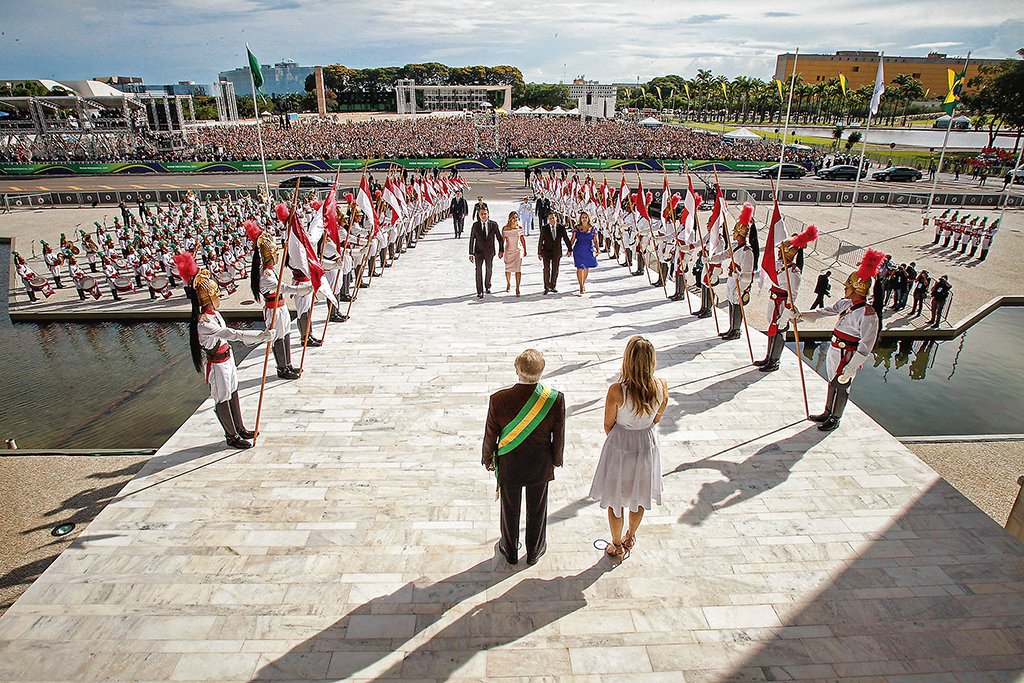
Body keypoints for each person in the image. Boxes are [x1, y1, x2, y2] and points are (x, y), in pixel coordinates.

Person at [176, 251, 271, 449]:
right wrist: (260, 336)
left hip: (227, 360)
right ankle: (231, 435)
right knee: (222, 398)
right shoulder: (204, 323)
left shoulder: (214, 314)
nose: (219, 296)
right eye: (216, 294)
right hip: (217, 364)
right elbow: (232, 334)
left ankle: (240, 427)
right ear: (208, 298)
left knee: (233, 392)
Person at [482, 349, 565, 565]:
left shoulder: (498, 399)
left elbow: (491, 432)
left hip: (510, 463)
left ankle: (509, 549)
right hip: (540, 464)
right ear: (542, 371)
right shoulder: (555, 399)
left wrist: (487, 458)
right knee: (537, 508)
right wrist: (556, 460)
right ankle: (535, 550)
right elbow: (559, 435)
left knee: (509, 509)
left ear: (517, 369)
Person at [588, 336, 667, 559]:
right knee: (639, 496)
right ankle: (631, 535)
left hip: (621, 444)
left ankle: (616, 544)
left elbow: (607, 423)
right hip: (646, 442)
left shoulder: (617, 390)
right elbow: (657, 417)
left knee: (616, 499)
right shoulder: (661, 386)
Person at [797, 249, 884, 432]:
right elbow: (826, 311)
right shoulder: (846, 304)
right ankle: (827, 411)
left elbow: (866, 346)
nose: (845, 288)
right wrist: (801, 315)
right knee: (832, 381)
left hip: (848, 353)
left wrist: (852, 366)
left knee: (842, 385)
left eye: (848, 286)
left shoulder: (868, 315)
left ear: (856, 288)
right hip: (835, 348)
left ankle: (835, 417)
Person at [247, 221, 309, 380]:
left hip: (280, 306)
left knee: (286, 334)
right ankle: (282, 368)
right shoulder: (265, 275)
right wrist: (300, 290)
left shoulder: (270, 270)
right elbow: (282, 287)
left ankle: (288, 364)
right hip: (273, 308)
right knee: (278, 337)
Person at [755, 225, 817, 372]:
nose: (778, 252)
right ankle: (768, 356)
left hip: (782, 303)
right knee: (772, 326)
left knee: (780, 329)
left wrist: (787, 313)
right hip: (773, 299)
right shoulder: (779, 264)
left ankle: (774, 360)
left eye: (780, 250)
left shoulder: (793, 271)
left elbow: (793, 294)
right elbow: (764, 272)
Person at [469, 206, 503, 299]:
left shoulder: (493, 224)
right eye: (481, 214)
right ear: (479, 215)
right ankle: (479, 291)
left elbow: (499, 238)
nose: (483, 216)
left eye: (485, 214)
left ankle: (487, 285)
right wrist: (471, 253)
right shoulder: (475, 225)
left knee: (489, 269)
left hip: (489, 251)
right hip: (478, 252)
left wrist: (501, 250)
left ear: (488, 214)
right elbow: (472, 239)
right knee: (478, 270)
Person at [537, 210, 572, 294]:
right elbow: (541, 240)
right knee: (546, 269)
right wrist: (539, 252)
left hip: (556, 251)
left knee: (555, 269)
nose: (552, 220)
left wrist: (570, 249)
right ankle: (546, 287)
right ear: (548, 219)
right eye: (550, 218)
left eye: (553, 218)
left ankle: (552, 285)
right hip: (546, 251)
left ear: (556, 218)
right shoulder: (544, 228)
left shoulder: (561, 227)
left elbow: (566, 238)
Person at [570, 211, 599, 295]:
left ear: (588, 218)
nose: (584, 219)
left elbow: (595, 240)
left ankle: (583, 282)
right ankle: (581, 286)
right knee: (579, 268)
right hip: (578, 250)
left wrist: (597, 249)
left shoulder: (592, 228)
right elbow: (572, 239)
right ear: (580, 218)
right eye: (583, 217)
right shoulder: (576, 228)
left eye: (586, 217)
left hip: (588, 250)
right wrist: (569, 249)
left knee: (586, 268)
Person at [501, 211, 527, 296]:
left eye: (516, 217)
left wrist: (525, 250)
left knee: (518, 270)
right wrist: (500, 250)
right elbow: (502, 240)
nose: (515, 219)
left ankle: (517, 288)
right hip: (508, 251)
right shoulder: (505, 229)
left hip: (518, 251)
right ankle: (508, 283)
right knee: (508, 269)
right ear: (510, 219)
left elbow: (522, 239)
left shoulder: (519, 228)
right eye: (513, 217)